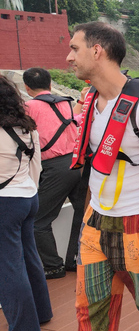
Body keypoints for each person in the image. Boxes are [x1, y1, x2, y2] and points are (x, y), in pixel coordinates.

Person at [67, 22, 139, 331]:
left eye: (74, 48)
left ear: (97, 50)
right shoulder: (89, 101)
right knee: (90, 307)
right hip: (96, 222)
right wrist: (88, 215)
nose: (69, 57)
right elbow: (95, 165)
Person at [22, 67, 86, 280]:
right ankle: (75, 259)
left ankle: (53, 266)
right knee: (81, 212)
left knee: (38, 221)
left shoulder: (28, 106)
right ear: (50, 84)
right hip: (78, 162)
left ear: (27, 87)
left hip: (55, 166)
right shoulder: (65, 102)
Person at [0, 75, 52, 331]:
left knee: (7, 267)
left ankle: (23, 327)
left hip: (5, 203)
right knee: (29, 257)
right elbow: (36, 166)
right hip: (27, 197)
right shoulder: (27, 127)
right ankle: (42, 311)